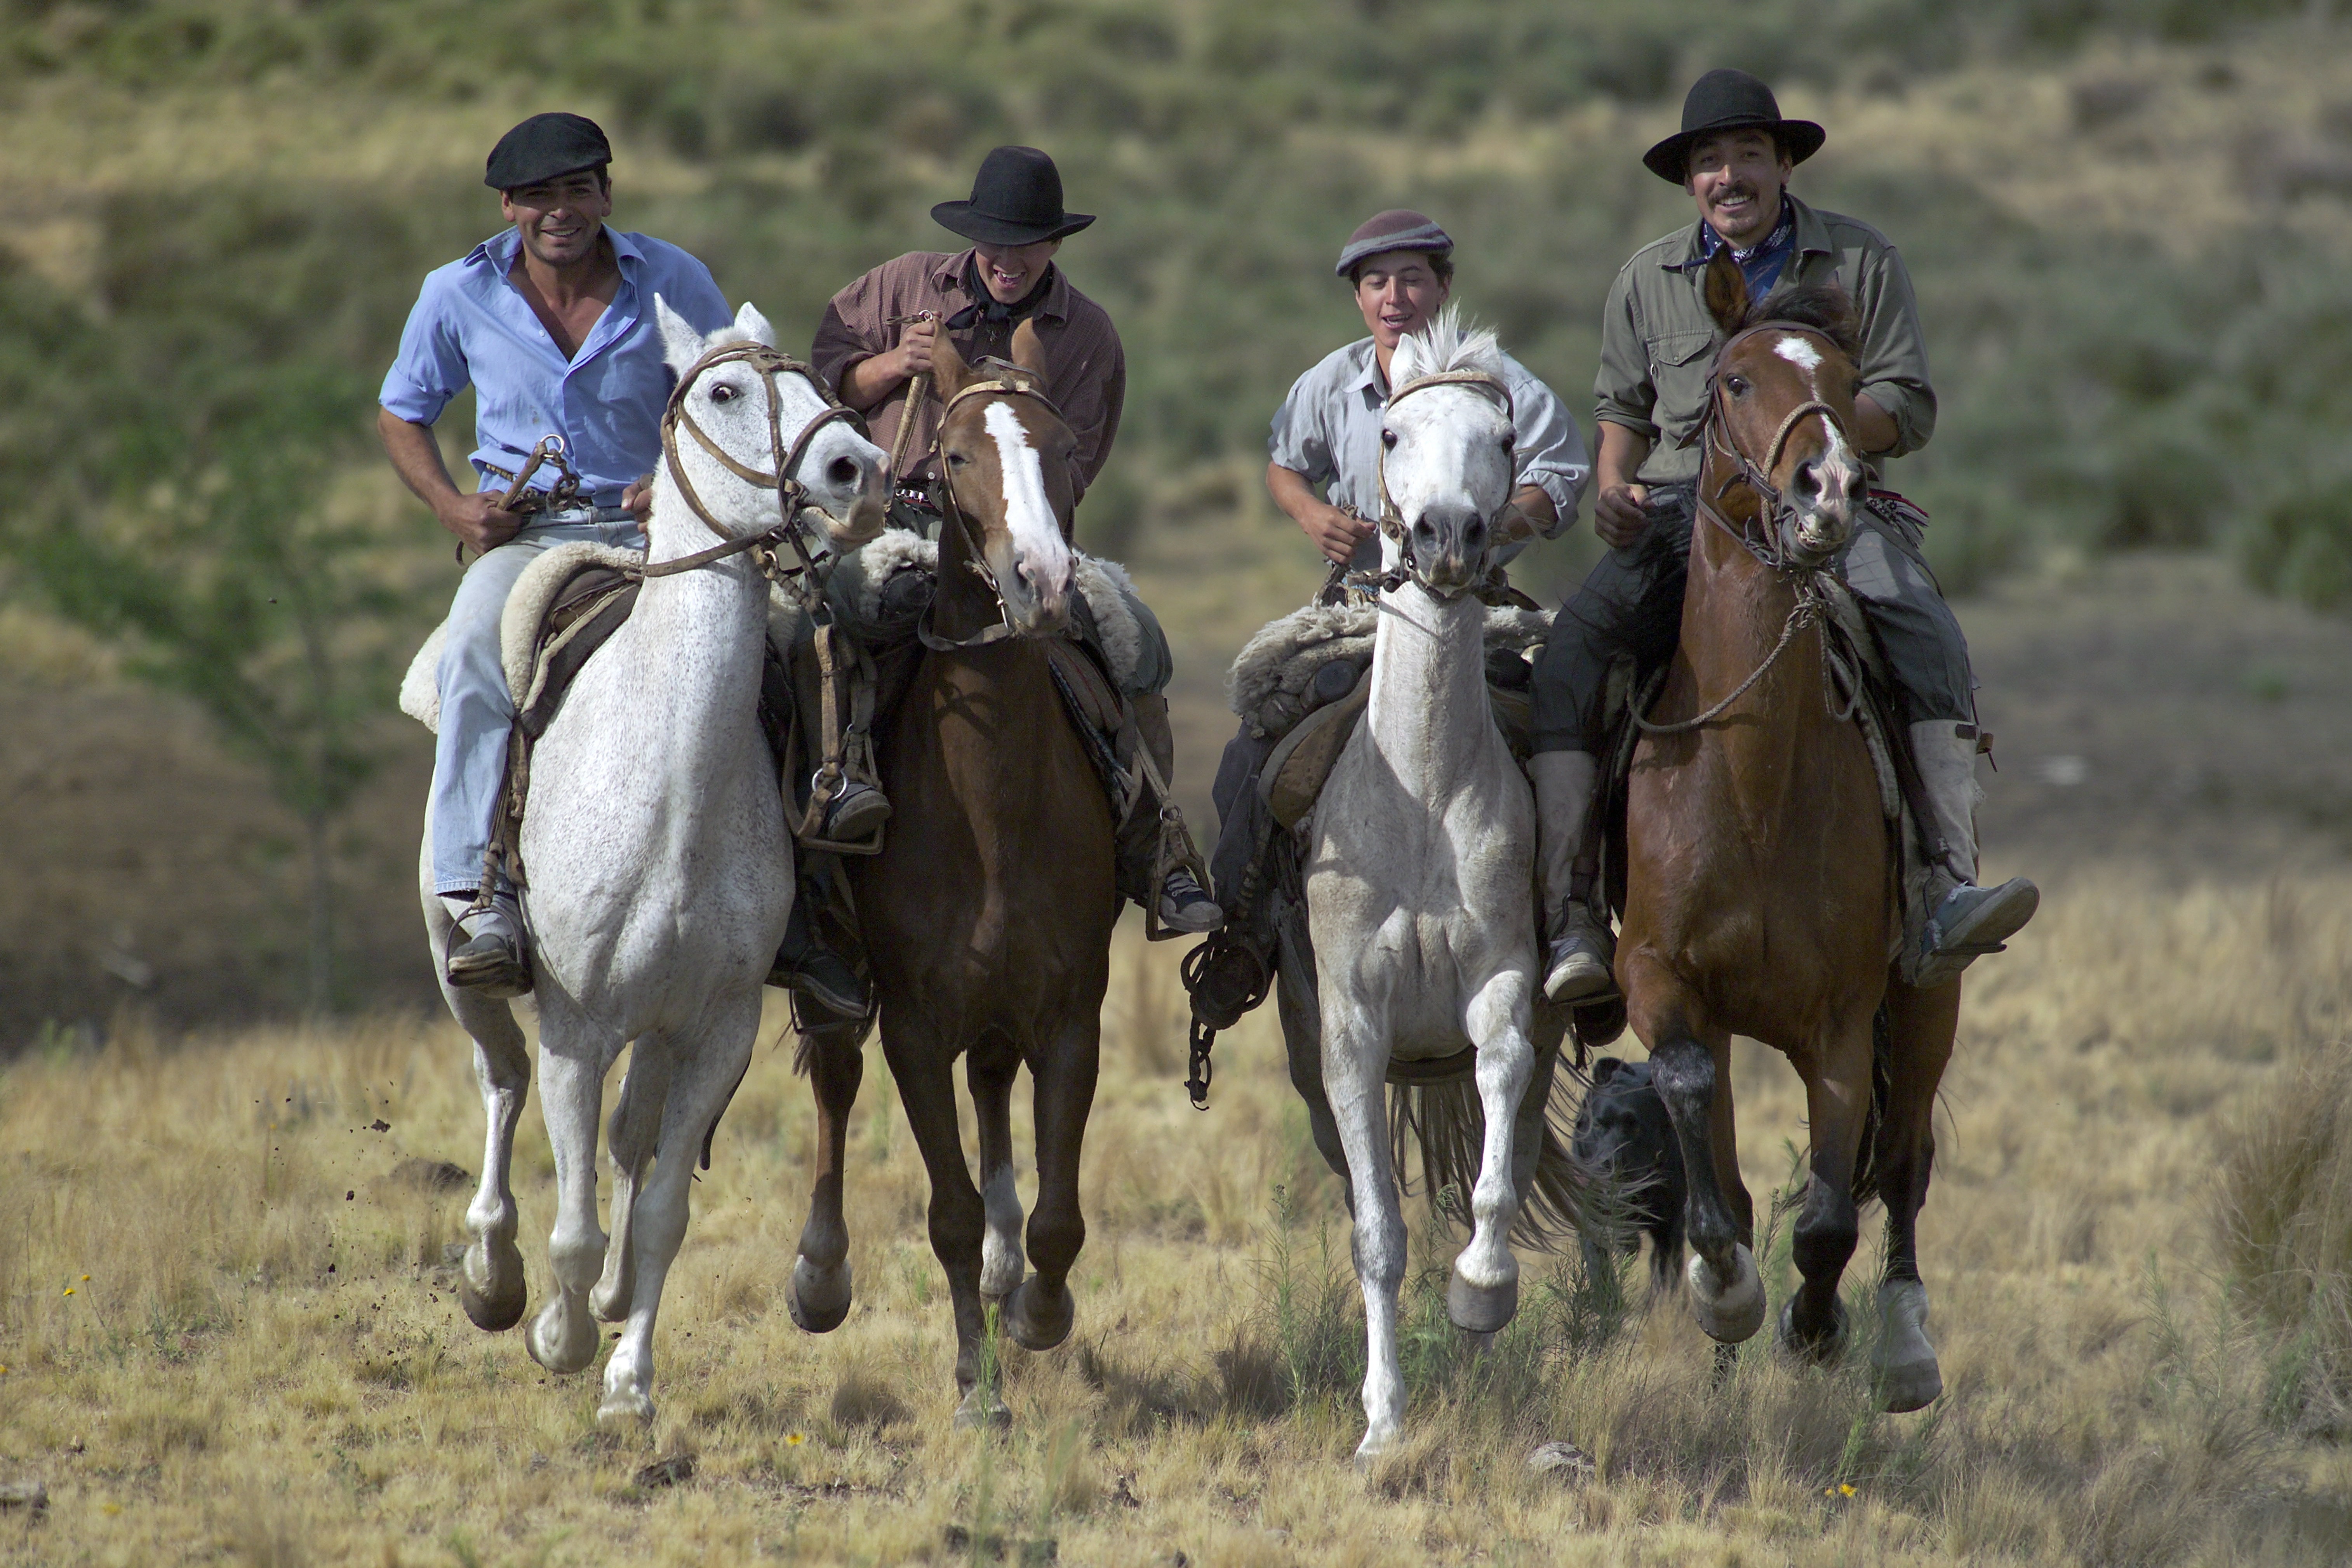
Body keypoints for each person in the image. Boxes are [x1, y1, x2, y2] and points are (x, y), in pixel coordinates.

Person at [1526, 68, 2037, 1004]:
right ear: (1691, 181)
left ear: (1783, 165)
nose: (1729, 176)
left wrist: (1821, 442)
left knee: (1922, 628)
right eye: (1710, 161)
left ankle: (1943, 886)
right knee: (1570, 656)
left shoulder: (1858, 259)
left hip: (1827, 499)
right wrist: (1611, 487)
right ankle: (1572, 913)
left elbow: (1908, 402)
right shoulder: (1645, 279)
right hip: (1685, 510)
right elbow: (1621, 410)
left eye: (1749, 155)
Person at [1188, 208, 1592, 1023]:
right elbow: (1283, 466)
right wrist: (1311, 516)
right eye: (1377, 282)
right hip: (1360, 613)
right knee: (1256, 744)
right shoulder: (1330, 381)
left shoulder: (1500, 384)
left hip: (1477, 610)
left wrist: (1481, 533)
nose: (1395, 296)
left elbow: (1561, 479)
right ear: (1358, 298)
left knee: (1564, 727)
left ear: (1444, 288)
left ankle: (1573, 925)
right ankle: (1244, 932)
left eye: (1412, 278)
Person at [811, 144, 1220, 936]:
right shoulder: (899, 286)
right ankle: (832, 795)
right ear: (973, 236)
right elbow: (826, 391)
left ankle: (1158, 847)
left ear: (1055, 243)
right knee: (827, 621)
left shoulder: (1087, 333)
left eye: (1027, 243)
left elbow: (1077, 464)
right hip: (893, 521)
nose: (1008, 259)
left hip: (1017, 529)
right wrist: (894, 364)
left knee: (1135, 640)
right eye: (995, 240)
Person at [379, 112, 734, 996]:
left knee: (775, 645)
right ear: (509, 206)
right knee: (472, 656)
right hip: (528, 537)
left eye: (578, 189)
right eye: (538, 196)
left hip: (657, 531)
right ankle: (477, 896)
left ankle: (808, 903)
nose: (559, 210)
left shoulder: (675, 279)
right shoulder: (455, 293)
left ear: (607, 195)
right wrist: (455, 508)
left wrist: (671, 477)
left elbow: (725, 392)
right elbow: (403, 412)